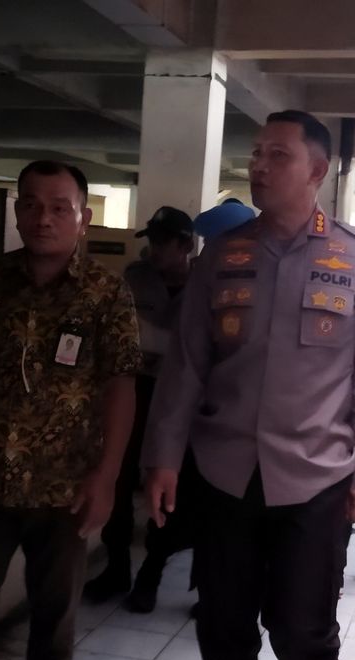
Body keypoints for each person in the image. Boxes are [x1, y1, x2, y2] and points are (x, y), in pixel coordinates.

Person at [142, 110, 355, 660]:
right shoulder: (222, 258)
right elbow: (186, 365)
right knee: (224, 631)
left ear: (317, 170)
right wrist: (162, 459)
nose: (259, 165)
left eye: (277, 155)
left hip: (317, 476)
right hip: (225, 474)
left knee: (304, 636)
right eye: (256, 154)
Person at [0, 160, 142, 660]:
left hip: (64, 488)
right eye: (31, 205)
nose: (44, 218)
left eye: (59, 208)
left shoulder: (106, 294)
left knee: (53, 623)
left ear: (83, 217)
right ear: (17, 213)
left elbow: (121, 388)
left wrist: (107, 478)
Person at [83, 205, 200, 613]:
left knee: (171, 488)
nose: (154, 250)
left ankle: (150, 573)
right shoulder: (134, 279)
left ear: (185, 245)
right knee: (118, 477)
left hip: (183, 402)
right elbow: (120, 334)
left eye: (162, 243)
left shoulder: (206, 284)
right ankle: (117, 569)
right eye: (151, 242)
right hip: (136, 391)